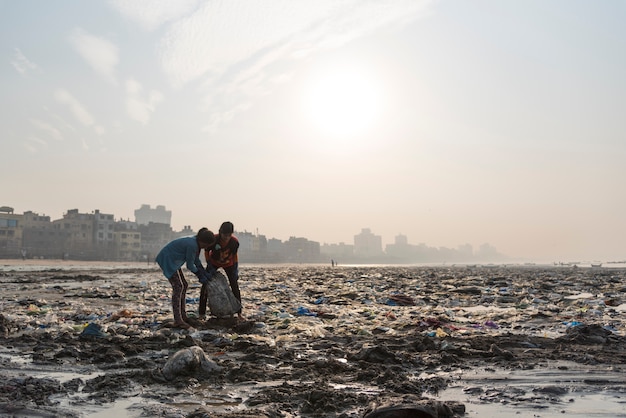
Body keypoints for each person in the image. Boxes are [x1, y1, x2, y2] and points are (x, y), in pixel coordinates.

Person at [156, 228, 216, 329]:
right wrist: (199, 274)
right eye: (205, 245)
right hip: (168, 259)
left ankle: (182, 315)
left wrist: (203, 271)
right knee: (178, 287)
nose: (205, 247)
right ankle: (178, 320)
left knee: (184, 285)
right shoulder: (192, 245)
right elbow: (190, 265)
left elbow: (196, 260)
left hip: (173, 260)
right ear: (202, 241)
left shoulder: (196, 243)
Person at [199, 221, 242, 320]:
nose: (226, 237)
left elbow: (235, 255)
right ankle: (202, 313)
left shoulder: (234, 242)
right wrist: (208, 262)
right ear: (220, 232)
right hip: (214, 262)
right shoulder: (214, 239)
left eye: (229, 235)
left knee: (234, 285)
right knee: (205, 285)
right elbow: (206, 251)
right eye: (224, 235)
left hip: (229, 263)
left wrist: (235, 268)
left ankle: (239, 313)